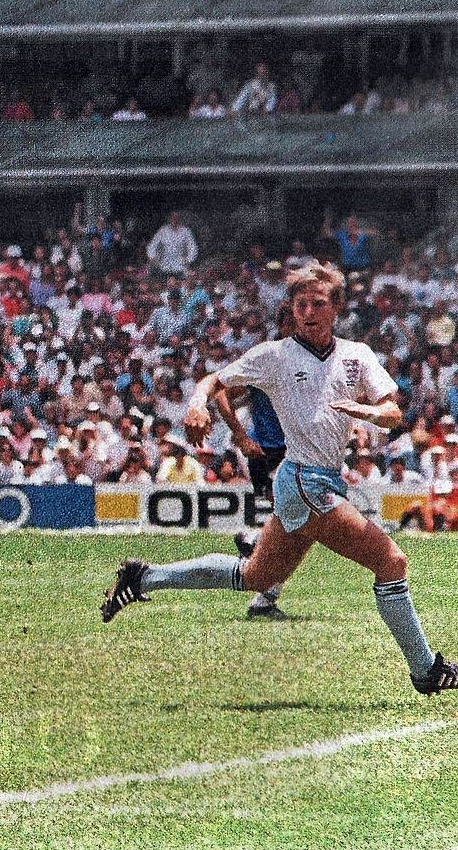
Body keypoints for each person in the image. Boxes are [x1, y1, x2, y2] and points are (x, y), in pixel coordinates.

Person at [102, 263, 458, 696]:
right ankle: (426, 670)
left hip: (313, 480)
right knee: (392, 562)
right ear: (291, 309)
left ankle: (143, 578)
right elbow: (214, 381)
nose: (308, 312)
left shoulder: (357, 355)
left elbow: (394, 411)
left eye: (318, 303)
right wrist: (197, 403)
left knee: (255, 576)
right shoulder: (276, 355)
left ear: (336, 308)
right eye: (300, 304)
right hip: (304, 483)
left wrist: (369, 412)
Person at [214, 308, 295, 620]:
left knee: (294, 525)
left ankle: (255, 543)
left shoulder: (312, 360)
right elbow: (221, 393)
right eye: (295, 322)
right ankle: (263, 597)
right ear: (284, 325)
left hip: (296, 452)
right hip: (269, 453)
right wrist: (240, 435)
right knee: (294, 524)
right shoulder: (266, 359)